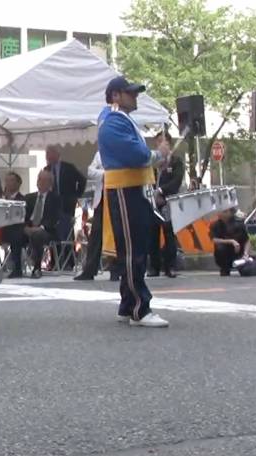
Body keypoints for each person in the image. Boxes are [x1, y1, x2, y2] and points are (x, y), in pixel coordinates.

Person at [98, 76, 171, 327]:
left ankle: (128, 304)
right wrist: (157, 154)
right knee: (133, 250)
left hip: (130, 189)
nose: (135, 96)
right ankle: (140, 308)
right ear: (116, 96)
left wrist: (156, 157)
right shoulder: (113, 121)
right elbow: (135, 154)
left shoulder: (116, 119)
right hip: (126, 189)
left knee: (133, 248)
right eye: (130, 93)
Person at [75, 149, 122, 282]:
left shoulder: (121, 150)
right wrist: (105, 174)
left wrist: (109, 174)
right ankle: (89, 270)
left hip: (116, 198)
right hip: (101, 199)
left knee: (116, 234)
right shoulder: (100, 153)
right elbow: (90, 171)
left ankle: (116, 269)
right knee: (96, 234)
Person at [43, 145, 86, 270]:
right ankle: (55, 261)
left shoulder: (69, 167)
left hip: (67, 204)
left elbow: (82, 180)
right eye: (47, 154)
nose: (48, 157)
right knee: (52, 230)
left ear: (57, 154)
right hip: (52, 205)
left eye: (50, 154)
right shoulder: (46, 169)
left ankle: (69, 261)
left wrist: (76, 195)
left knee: (67, 232)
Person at [149, 130, 183, 278]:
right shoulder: (152, 162)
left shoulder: (176, 161)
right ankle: (154, 267)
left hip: (168, 201)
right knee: (152, 234)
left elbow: (176, 181)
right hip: (152, 202)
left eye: (163, 141)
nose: (160, 144)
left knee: (169, 234)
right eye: (158, 142)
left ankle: (171, 267)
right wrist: (152, 194)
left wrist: (162, 191)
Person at [22, 170, 61, 279]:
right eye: (39, 179)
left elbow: (54, 218)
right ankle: (15, 268)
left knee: (37, 236)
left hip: (47, 231)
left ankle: (37, 267)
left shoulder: (55, 198)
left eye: (44, 180)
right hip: (29, 228)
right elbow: (22, 216)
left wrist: (40, 228)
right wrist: (25, 227)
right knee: (14, 232)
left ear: (50, 183)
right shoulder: (29, 198)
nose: (41, 182)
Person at [0, 172, 27, 278]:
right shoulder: (2, 200)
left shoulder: (22, 199)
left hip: (15, 229)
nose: (8, 184)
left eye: (11, 181)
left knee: (16, 236)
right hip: (2, 228)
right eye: (6, 181)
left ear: (18, 183)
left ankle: (17, 268)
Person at [210, 207, 251, 276]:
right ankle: (225, 268)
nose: (222, 214)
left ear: (231, 213)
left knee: (247, 270)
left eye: (225, 211)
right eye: (221, 211)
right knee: (220, 248)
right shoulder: (216, 225)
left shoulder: (239, 224)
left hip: (238, 253)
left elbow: (247, 240)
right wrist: (231, 241)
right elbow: (214, 239)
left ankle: (242, 266)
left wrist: (246, 253)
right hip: (225, 253)